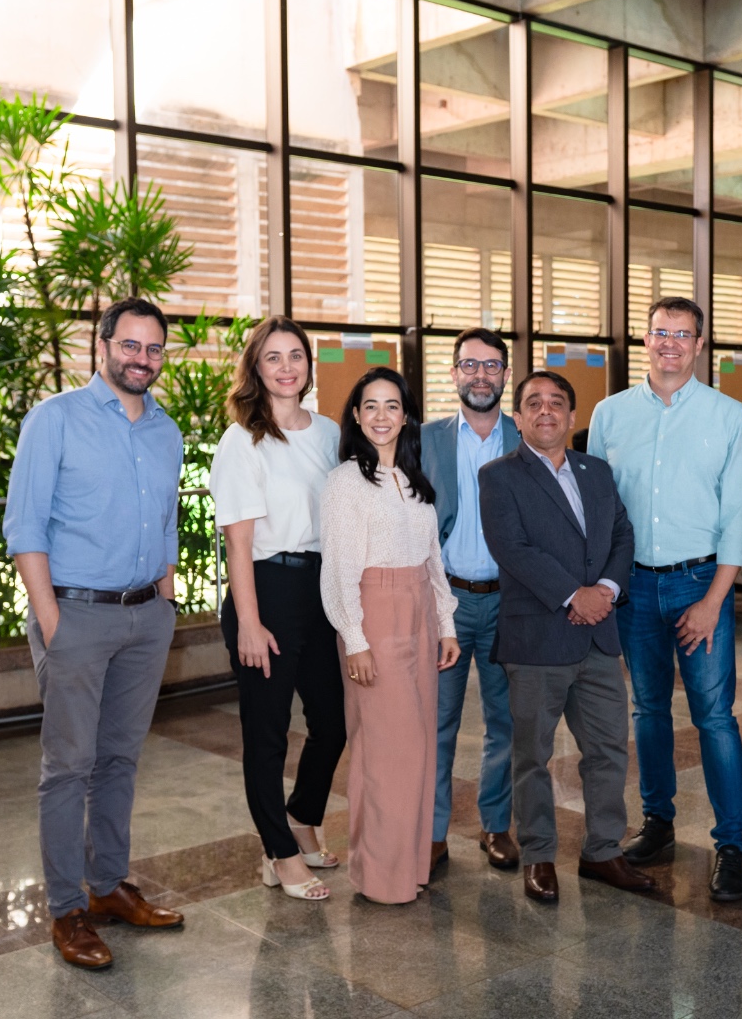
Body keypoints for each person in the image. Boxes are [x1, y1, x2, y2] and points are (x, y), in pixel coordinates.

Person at [3, 297, 186, 970]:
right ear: (102, 344)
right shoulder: (54, 420)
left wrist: (165, 599)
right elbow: (24, 526)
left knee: (119, 761)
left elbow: (165, 522)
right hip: (75, 616)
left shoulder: (166, 431)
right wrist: (53, 621)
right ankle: (67, 910)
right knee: (67, 769)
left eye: (154, 348)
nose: (143, 359)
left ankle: (107, 886)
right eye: (131, 345)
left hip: (146, 618)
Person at [587, 296, 742, 902]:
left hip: (698, 584)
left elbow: (740, 515)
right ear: (645, 340)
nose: (670, 344)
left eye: (682, 335)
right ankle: (658, 824)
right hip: (632, 587)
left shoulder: (728, 415)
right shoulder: (609, 414)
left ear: (699, 345)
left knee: (714, 717)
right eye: (660, 332)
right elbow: (601, 509)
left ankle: (731, 843)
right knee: (648, 712)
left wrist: (715, 601)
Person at [478, 371, 650, 903]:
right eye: (534, 403)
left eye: (557, 402)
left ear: (573, 417)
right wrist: (575, 596)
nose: (546, 411)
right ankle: (539, 855)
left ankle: (602, 851)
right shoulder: (498, 476)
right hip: (537, 641)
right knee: (532, 754)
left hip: (599, 638)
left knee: (608, 751)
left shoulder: (596, 470)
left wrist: (605, 588)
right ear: (519, 417)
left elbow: (623, 533)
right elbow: (514, 549)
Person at [209, 317, 343, 903]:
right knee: (266, 736)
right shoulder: (243, 439)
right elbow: (238, 542)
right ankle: (279, 852)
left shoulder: (332, 432)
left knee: (333, 725)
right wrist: (250, 621)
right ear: (255, 368)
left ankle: (301, 817)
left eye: (296, 356)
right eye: (273, 358)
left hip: (322, 589)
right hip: (265, 588)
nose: (286, 367)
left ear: (309, 365)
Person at [320, 368, 461, 904]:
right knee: (385, 751)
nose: (382, 416)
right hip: (372, 613)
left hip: (420, 613)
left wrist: (445, 624)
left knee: (419, 747)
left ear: (407, 415)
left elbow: (433, 561)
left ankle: (409, 868)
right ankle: (379, 875)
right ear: (356, 416)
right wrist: (354, 638)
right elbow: (338, 569)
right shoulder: (345, 483)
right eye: (370, 406)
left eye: (392, 406)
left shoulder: (414, 479)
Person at [419, 328, 521, 875]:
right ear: (454, 373)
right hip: (446, 604)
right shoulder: (425, 439)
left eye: (491, 365)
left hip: (509, 602)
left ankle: (496, 824)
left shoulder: (526, 437)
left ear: (505, 373)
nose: (480, 375)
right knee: (439, 723)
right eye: (469, 365)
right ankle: (432, 832)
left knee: (505, 722)